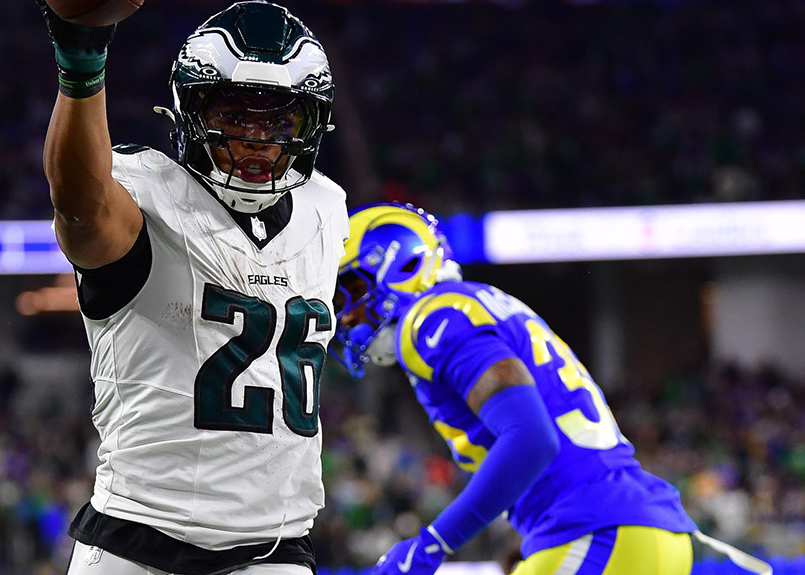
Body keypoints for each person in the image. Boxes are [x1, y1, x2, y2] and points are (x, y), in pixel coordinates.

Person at [28, 0, 347, 575]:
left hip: (275, 546)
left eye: (279, 120)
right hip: (140, 539)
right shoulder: (148, 195)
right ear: (189, 112)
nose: (257, 140)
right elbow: (80, 203)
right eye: (234, 114)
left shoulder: (325, 207)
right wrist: (82, 63)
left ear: (312, 124)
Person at [330, 203, 770, 575]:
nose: (345, 317)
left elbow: (531, 439)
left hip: (596, 532)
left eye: (351, 290)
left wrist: (433, 543)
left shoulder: (433, 319)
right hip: (632, 530)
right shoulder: (477, 304)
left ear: (400, 263)